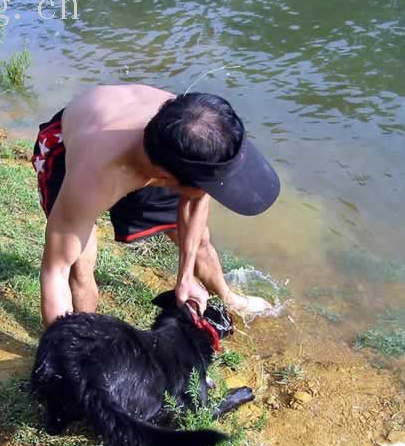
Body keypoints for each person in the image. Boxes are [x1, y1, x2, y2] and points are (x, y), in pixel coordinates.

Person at [31, 85, 280, 327]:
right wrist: (61, 350)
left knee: (200, 242)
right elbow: (55, 272)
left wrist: (184, 277)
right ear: (163, 178)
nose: (213, 192)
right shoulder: (93, 175)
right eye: (209, 186)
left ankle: (227, 295)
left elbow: (196, 198)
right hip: (69, 148)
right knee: (80, 267)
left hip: (151, 152)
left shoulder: (195, 134)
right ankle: (81, 341)